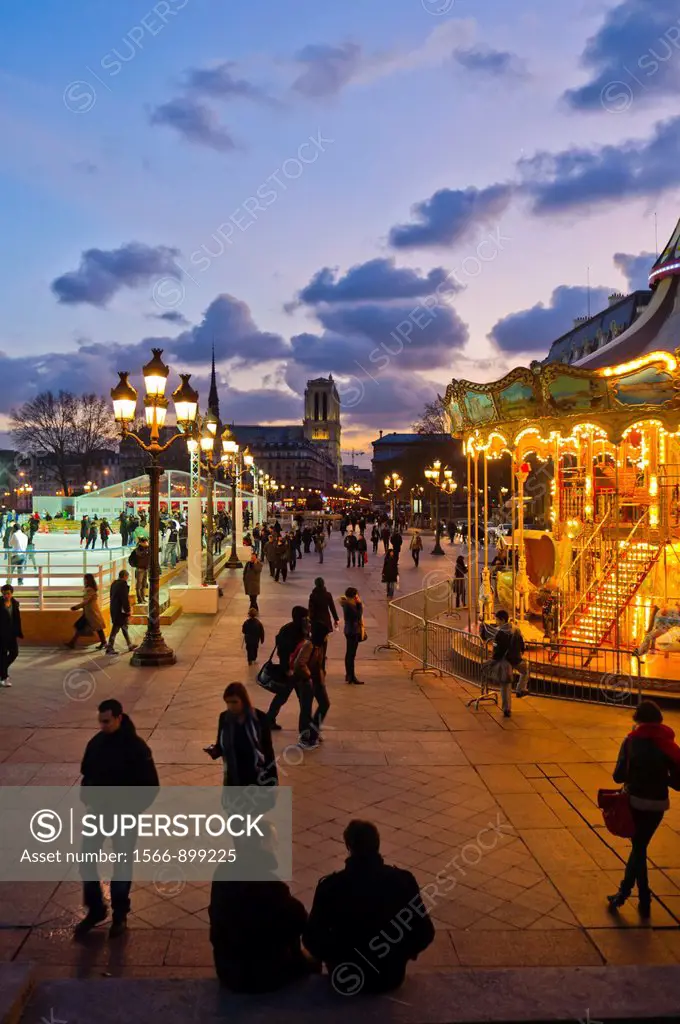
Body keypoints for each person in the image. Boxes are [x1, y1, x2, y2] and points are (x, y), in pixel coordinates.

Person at [303, 819, 435, 993]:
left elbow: (312, 938)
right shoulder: (402, 881)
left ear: (348, 846)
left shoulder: (331, 887)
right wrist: (401, 954)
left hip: (344, 977)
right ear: (377, 845)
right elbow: (424, 931)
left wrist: (333, 958)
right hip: (389, 976)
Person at [74, 699, 159, 938]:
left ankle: (120, 914)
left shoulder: (136, 747)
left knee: (121, 865)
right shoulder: (96, 743)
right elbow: (86, 774)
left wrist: (132, 810)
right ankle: (97, 909)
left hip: (123, 814)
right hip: (98, 812)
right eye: (100, 721)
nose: (102, 726)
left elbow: (151, 786)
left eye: (107, 721)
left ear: (119, 718)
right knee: (86, 860)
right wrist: (87, 796)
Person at [209, 823, 310, 992]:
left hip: (228, 969)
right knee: (310, 961)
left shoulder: (222, 871)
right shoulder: (270, 886)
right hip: (261, 974)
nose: (277, 847)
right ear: (262, 843)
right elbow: (300, 918)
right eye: (274, 842)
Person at [608, 700, 680, 917]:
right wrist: (663, 778)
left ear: (637, 720)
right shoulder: (668, 743)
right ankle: (624, 892)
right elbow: (678, 780)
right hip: (658, 804)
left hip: (635, 801)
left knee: (639, 848)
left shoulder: (630, 742)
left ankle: (642, 896)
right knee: (640, 847)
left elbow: (618, 776)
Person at [206, 682, 277, 786]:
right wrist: (214, 751)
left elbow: (268, 750)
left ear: (244, 701)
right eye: (228, 702)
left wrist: (272, 778)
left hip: (256, 774)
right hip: (234, 775)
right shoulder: (224, 718)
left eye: (234, 702)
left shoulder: (259, 718)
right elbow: (220, 745)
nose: (231, 706)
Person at [266, 606, 311, 731]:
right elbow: (284, 651)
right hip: (291, 670)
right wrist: (287, 669)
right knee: (300, 698)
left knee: (284, 696)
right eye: (305, 617)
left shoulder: (292, 629)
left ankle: (269, 719)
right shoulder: (293, 631)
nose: (307, 619)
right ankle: (308, 726)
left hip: (294, 669)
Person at [481, 610, 529, 717]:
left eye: (497, 619)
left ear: (502, 620)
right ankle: (520, 689)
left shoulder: (500, 633)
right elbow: (522, 644)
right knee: (525, 670)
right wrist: (520, 652)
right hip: (516, 659)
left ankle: (506, 709)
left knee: (505, 684)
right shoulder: (516, 629)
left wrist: (493, 660)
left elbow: (497, 650)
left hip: (505, 661)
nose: (496, 621)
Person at [294, 620, 331, 748]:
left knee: (325, 704)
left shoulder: (320, 645)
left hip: (317, 680)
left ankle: (313, 731)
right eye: (326, 634)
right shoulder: (309, 645)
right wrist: (309, 675)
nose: (327, 637)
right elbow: (299, 664)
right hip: (306, 681)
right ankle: (305, 737)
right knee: (306, 709)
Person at [66, 573, 107, 650]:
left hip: (91, 612)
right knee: (81, 626)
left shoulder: (90, 590)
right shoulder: (90, 589)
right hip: (89, 612)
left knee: (95, 628)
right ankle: (72, 642)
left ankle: (104, 642)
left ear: (88, 580)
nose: (84, 580)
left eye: (85, 579)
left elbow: (86, 602)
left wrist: (76, 607)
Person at [106, 570, 138, 656]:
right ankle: (109, 647)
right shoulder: (123, 585)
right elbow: (124, 599)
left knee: (124, 627)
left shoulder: (114, 584)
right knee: (115, 629)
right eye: (127, 576)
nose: (127, 578)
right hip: (120, 611)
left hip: (114, 608)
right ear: (124, 576)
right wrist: (127, 610)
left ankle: (130, 644)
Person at [340, 587, 364, 685]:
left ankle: (349, 674)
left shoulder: (347, 604)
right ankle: (351, 676)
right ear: (354, 596)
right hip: (352, 631)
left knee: (349, 653)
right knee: (351, 654)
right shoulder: (350, 605)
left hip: (349, 630)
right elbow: (358, 615)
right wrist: (359, 604)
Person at [0, 583, 22, 687]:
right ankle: (4, 677)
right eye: (4, 594)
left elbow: (17, 618)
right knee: (3, 655)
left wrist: (18, 631)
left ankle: (2, 669)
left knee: (14, 653)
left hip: (12, 634)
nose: (6, 596)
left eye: (8, 594)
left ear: (12, 593)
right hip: (1, 634)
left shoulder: (15, 603)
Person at [129, 536, 150, 604]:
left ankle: (143, 598)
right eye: (145, 542)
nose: (147, 543)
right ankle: (140, 599)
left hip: (145, 569)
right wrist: (136, 565)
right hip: (140, 569)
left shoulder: (147, 549)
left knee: (144, 584)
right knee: (139, 585)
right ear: (141, 543)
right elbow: (131, 560)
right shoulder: (137, 550)